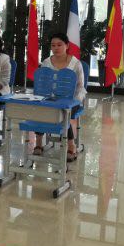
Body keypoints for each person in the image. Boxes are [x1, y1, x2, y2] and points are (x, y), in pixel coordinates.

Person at [31, 32, 87, 162]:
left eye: (59, 45)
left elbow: (80, 87)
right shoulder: (46, 62)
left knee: (63, 112)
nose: (56, 48)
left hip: (71, 100)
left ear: (67, 45)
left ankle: (71, 145)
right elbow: (42, 84)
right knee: (40, 109)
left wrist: (74, 101)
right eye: (53, 45)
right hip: (50, 99)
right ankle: (38, 142)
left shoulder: (75, 63)